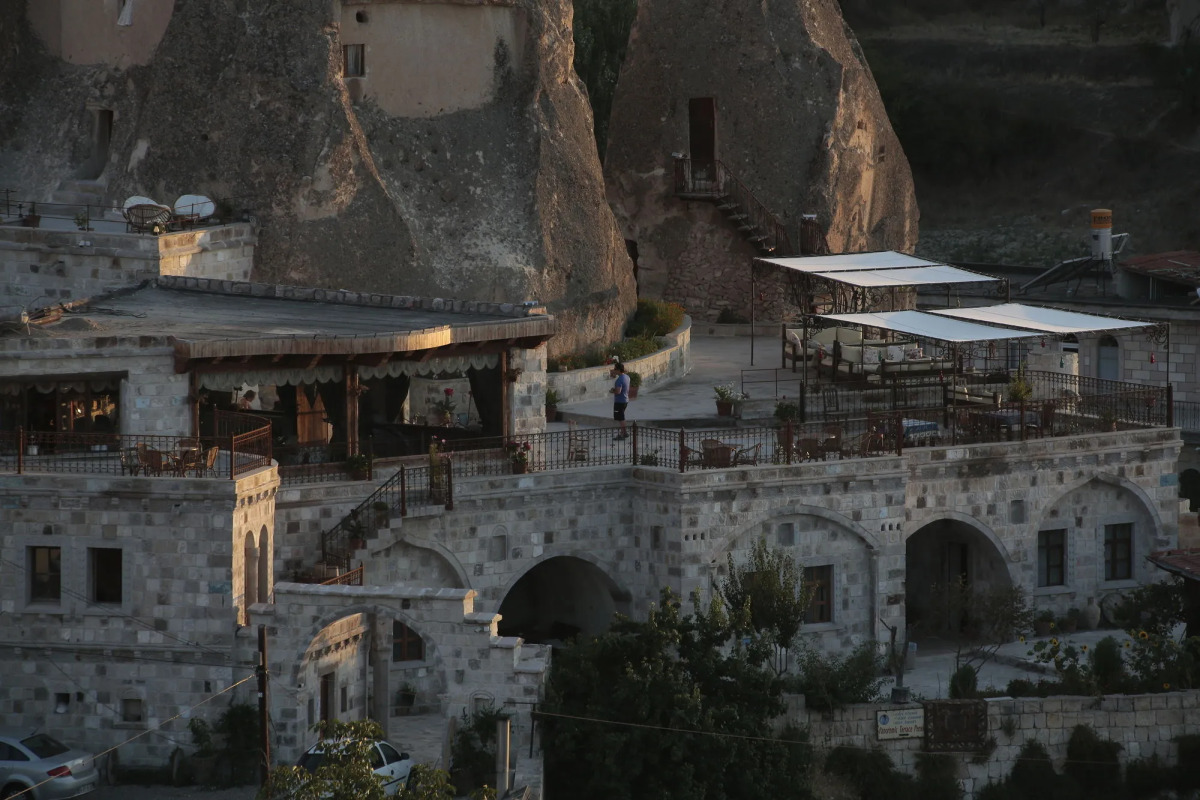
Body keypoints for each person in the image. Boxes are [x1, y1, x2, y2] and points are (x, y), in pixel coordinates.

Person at [609, 362, 630, 440]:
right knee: (622, 417)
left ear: (618, 370)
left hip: (619, 401)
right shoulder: (627, 377)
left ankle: (623, 434)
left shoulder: (619, 380)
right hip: (625, 400)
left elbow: (618, 391)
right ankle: (624, 432)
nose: (614, 370)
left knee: (621, 418)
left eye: (615, 369)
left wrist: (612, 391)